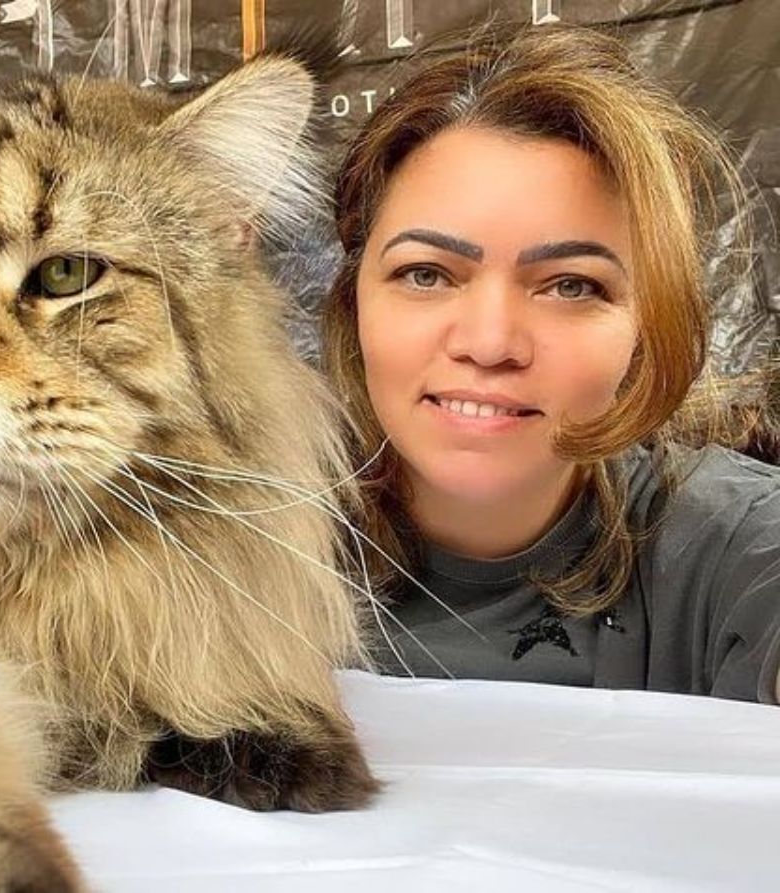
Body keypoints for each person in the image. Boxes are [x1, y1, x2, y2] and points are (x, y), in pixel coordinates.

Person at [321, 23, 780, 703]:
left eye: (571, 285)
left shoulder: (733, 547)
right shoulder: (226, 539)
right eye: (426, 274)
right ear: (352, 300)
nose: (489, 342)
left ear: (645, 324)